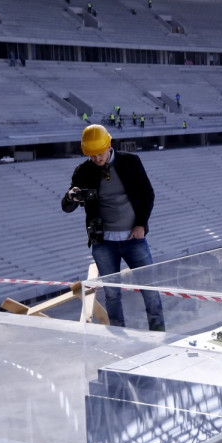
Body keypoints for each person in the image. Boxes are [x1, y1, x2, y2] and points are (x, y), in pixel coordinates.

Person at [61, 125, 165, 331]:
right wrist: (71, 196)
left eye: (100, 153)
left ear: (109, 145)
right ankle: (119, 336)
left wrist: (141, 224)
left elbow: (148, 193)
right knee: (112, 295)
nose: (97, 158)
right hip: (104, 243)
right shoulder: (83, 170)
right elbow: (67, 206)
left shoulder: (131, 162)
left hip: (134, 239)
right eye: (92, 155)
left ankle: (158, 333)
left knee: (150, 291)